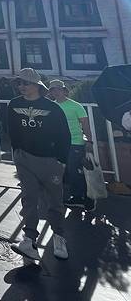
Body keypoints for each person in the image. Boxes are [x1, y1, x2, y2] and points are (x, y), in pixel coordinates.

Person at [9, 68, 71, 262]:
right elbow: (10, 129)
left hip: (49, 159)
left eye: (26, 83)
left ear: (37, 86)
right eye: (19, 83)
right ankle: (29, 239)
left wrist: (61, 161)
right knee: (29, 198)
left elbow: (64, 135)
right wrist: (17, 151)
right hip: (24, 158)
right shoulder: (14, 104)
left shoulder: (52, 108)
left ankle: (59, 236)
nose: (22, 86)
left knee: (54, 200)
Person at [48, 79, 95, 211]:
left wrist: (90, 141)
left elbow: (85, 125)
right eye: (53, 90)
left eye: (58, 89)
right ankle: (74, 196)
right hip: (58, 144)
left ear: (64, 90)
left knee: (75, 171)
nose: (56, 92)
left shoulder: (76, 106)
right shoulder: (51, 106)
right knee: (63, 172)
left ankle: (84, 198)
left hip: (74, 143)